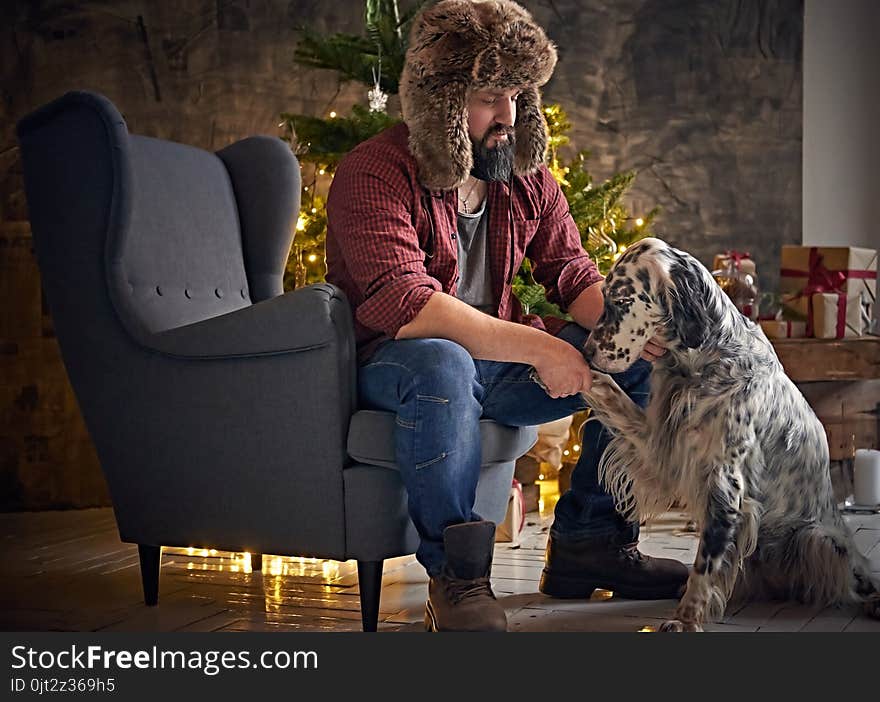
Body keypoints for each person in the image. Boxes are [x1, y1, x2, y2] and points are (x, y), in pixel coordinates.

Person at [325, 0, 687, 632]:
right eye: (492, 96)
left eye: (519, 95)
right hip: (395, 363)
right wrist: (540, 348)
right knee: (442, 361)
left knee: (634, 359)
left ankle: (591, 542)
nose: (509, 117)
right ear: (441, 100)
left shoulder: (520, 174)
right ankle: (457, 578)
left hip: (492, 365)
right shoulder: (372, 172)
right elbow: (406, 305)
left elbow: (570, 270)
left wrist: (632, 331)